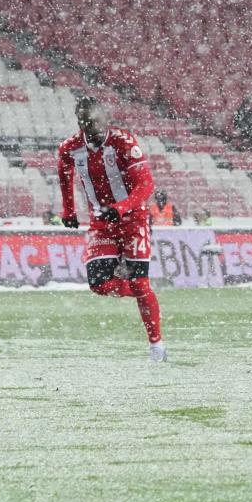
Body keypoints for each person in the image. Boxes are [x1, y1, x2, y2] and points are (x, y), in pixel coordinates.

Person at [57, 96, 167, 362]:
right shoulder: (70, 148)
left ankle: (156, 347)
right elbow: (64, 175)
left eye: (94, 121)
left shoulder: (123, 142)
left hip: (134, 220)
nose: (90, 126)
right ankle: (141, 291)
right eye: (84, 122)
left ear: (105, 119)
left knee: (140, 282)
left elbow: (146, 185)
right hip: (101, 223)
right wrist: (68, 210)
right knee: (99, 283)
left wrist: (121, 207)